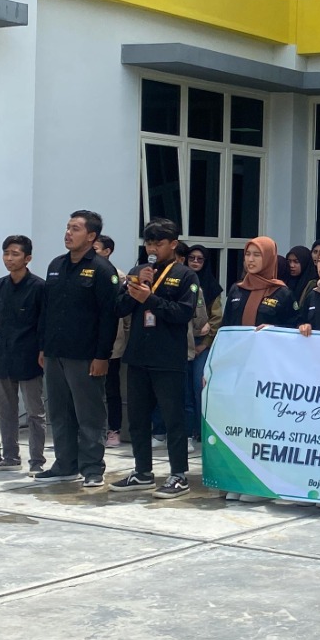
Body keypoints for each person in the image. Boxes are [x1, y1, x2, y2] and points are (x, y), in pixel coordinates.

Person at [111, 219, 201, 500]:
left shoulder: (186, 276)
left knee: (173, 418)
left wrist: (150, 298)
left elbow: (183, 314)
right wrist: (134, 288)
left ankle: (179, 475)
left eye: (158, 244)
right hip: (138, 354)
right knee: (137, 418)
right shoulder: (138, 272)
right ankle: (142, 471)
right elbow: (118, 308)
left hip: (168, 357)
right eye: (148, 243)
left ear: (173, 244)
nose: (152, 249)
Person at [38, 210, 120, 489]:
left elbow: (108, 316)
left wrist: (102, 356)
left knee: (89, 414)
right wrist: (43, 347)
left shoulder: (102, 269)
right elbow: (47, 310)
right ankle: (64, 464)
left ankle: (92, 467)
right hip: (55, 352)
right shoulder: (56, 265)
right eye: (67, 227)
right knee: (59, 412)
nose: (68, 233)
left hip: (86, 355)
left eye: (75, 228)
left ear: (91, 236)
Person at [0, 235, 45, 473]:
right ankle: (10, 456)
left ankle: (37, 460)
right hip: (3, 355)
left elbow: (44, 322)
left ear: (27, 258)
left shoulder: (39, 287)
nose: (9, 259)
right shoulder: (0, 286)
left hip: (30, 356)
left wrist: (43, 350)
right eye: (6, 253)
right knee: (4, 411)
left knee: (35, 413)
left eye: (15, 254)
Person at [184, 244, 223, 442]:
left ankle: (201, 429)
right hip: (183, 341)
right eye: (192, 258)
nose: (195, 262)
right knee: (184, 390)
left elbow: (216, 319)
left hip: (203, 343)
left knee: (199, 386)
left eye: (200, 259)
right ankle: (187, 430)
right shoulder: (182, 280)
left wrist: (204, 344)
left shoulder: (212, 286)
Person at [94, 235, 126, 448]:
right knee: (88, 391)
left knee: (111, 389)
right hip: (87, 342)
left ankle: (114, 430)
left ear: (107, 252)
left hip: (112, 343)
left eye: (96, 248)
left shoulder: (118, 277)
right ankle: (90, 429)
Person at [224, 237, 297, 329]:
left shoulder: (282, 293)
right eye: (247, 254)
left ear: (268, 258)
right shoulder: (237, 289)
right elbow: (225, 324)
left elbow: (294, 326)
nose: (250, 259)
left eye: (257, 255)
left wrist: (273, 329)